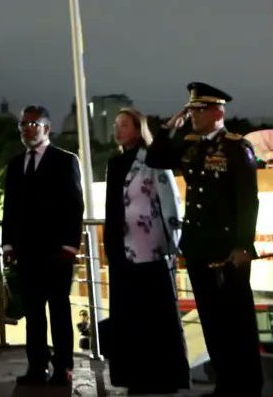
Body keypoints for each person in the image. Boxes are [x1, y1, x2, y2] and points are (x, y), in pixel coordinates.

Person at [145, 82, 262, 397]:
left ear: (217, 111)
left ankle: (248, 386)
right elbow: (155, 159)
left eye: (198, 110)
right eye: (191, 110)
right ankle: (226, 384)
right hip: (198, 247)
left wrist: (242, 244)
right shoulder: (192, 145)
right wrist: (169, 127)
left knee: (236, 320)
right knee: (211, 319)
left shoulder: (237, 147)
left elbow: (248, 200)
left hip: (227, 250)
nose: (193, 115)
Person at [104, 106, 189, 395]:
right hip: (122, 248)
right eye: (116, 125)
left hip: (151, 247)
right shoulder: (115, 163)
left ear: (138, 128)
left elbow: (170, 200)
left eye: (124, 124)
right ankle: (134, 375)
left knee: (156, 312)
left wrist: (174, 242)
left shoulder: (153, 158)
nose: (118, 130)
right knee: (129, 313)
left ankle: (164, 376)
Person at [1, 105, 83, 388]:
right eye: (23, 123)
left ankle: (63, 367)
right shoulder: (15, 164)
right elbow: (10, 208)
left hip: (57, 251)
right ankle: (37, 366)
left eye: (33, 124)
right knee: (33, 313)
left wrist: (71, 245)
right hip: (26, 252)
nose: (26, 128)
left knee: (59, 310)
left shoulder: (65, 160)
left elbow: (75, 205)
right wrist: (7, 244)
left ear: (47, 128)